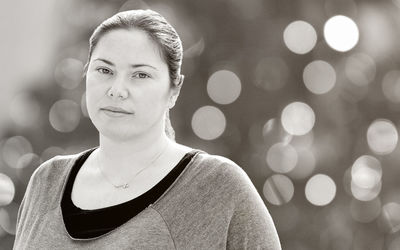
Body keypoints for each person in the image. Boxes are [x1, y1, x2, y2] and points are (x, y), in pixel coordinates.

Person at [13, 9, 281, 249]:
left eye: (141, 75)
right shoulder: (46, 181)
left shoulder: (218, 188)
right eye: (104, 70)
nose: (117, 90)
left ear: (173, 91)